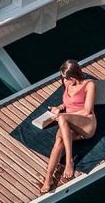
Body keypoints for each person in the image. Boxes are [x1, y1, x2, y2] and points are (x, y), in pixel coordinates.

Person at [39, 59, 97, 194]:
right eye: (63, 77)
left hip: (86, 123)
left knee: (62, 118)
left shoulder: (89, 85)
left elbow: (87, 110)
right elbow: (68, 103)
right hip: (67, 123)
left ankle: (69, 161)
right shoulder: (66, 82)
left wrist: (64, 116)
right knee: (58, 141)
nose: (64, 80)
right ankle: (48, 179)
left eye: (67, 78)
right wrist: (59, 107)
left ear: (74, 76)